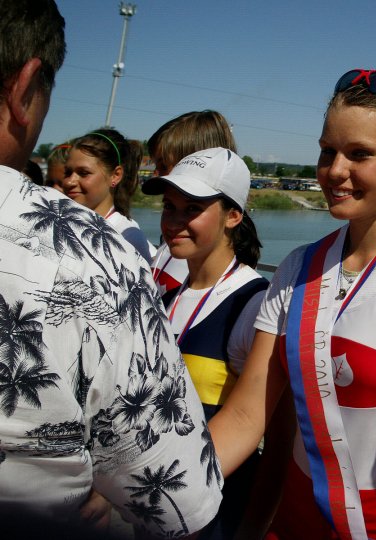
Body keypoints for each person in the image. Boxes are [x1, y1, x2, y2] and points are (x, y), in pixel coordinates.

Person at [209, 69, 376, 539]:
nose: (335, 171)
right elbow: (244, 416)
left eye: (359, 154)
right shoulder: (297, 269)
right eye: (327, 151)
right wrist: (160, 486)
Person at [0, 1, 221, 537]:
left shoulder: (124, 246)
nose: (173, 217)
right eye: (166, 198)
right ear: (25, 88)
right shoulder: (97, 259)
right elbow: (179, 499)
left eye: (190, 202)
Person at [142, 147, 288, 539]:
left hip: (218, 516)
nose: (174, 222)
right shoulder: (168, 298)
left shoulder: (255, 306)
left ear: (233, 215)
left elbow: (279, 441)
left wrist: (253, 528)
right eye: (169, 207)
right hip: (154, 505)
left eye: (192, 209)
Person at [147, 110, 237, 295]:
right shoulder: (176, 242)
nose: (156, 174)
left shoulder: (215, 260)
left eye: (162, 165)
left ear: (193, 163)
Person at [63, 128, 156, 263]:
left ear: (115, 175)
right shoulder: (62, 223)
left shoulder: (127, 236)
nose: (69, 182)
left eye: (83, 173)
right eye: (67, 173)